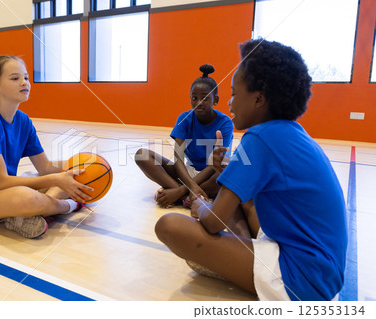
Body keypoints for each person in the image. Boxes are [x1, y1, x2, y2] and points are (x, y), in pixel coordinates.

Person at [154, 39, 347, 301]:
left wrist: (200, 206)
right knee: (244, 203)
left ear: (258, 99)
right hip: (325, 273)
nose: (230, 103)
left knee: (170, 226)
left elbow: (213, 222)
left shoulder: (258, 138)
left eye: (234, 93)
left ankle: (242, 262)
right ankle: (244, 253)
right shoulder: (291, 132)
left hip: (301, 280)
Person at [0, 55, 93, 239]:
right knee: (28, 198)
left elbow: (45, 168)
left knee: (76, 176)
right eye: (15, 78)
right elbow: (2, 181)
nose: (24, 83)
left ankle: (31, 213)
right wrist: (58, 181)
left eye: (25, 77)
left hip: (5, 189)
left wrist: (80, 163)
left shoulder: (23, 120)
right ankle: (68, 206)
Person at [135, 64, 233, 208]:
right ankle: (191, 196)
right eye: (194, 98)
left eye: (205, 98)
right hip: (187, 173)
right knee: (141, 155)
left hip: (212, 175)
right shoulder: (184, 118)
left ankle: (177, 194)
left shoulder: (225, 123)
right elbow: (178, 159)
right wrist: (190, 185)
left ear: (216, 100)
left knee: (228, 174)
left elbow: (214, 166)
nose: (198, 103)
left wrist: (181, 190)